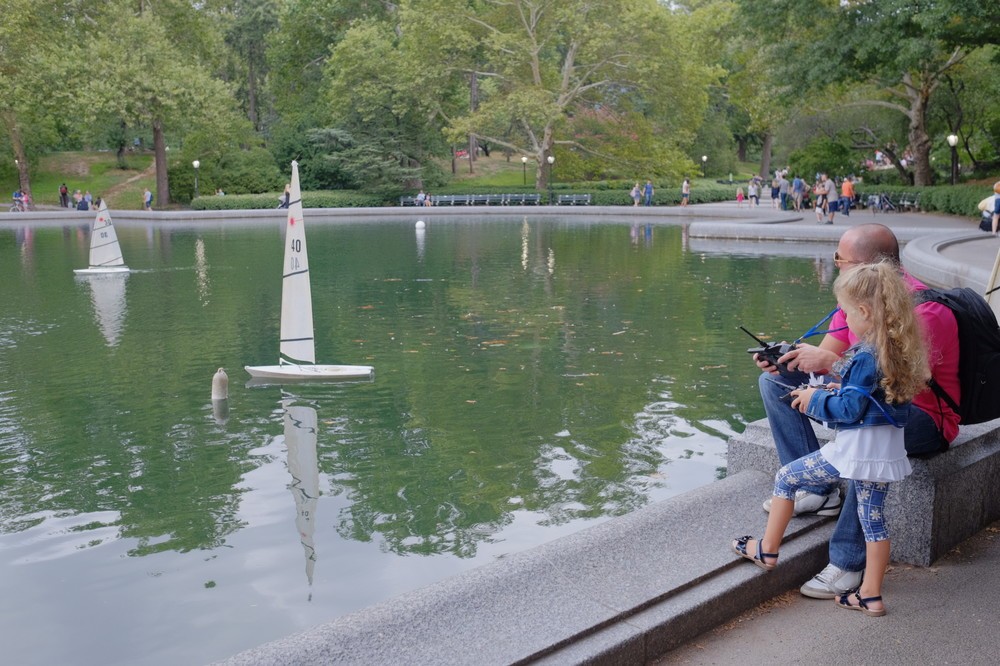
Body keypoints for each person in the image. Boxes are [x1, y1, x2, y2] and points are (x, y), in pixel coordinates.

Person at [754, 223, 959, 600]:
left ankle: (848, 562)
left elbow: (895, 386)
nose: (835, 265)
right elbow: (831, 358)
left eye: (840, 259)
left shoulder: (923, 310)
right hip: (866, 398)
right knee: (776, 383)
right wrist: (788, 362)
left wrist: (830, 371)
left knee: (863, 452)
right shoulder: (856, 299)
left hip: (918, 416)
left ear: (869, 265)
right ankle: (818, 489)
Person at [734, 261, 928, 617]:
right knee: (873, 519)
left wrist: (814, 399)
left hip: (856, 450)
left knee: (787, 477)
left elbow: (849, 410)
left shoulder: (866, 356)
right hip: (884, 451)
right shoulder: (897, 349)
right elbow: (871, 398)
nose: (845, 321)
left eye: (847, 313)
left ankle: (767, 549)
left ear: (865, 311)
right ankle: (869, 594)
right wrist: (836, 384)